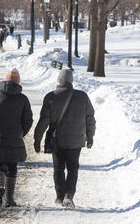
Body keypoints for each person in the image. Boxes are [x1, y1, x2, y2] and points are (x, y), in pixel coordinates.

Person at [33, 69, 95, 210]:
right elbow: (90, 118)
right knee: (73, 169)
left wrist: (37, 139)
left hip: (57, 140)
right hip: (76, 141)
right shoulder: (82, 97)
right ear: (71, 81)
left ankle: (60, 196)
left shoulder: (51, 97)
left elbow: (44, 121)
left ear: (59, 81)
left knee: (59, 168)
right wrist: (90, 136)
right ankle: (69, 195)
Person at [0, 69, 33, 208]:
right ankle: (10, 200)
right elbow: (28, 120)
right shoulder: (23, 99)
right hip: (15, 137)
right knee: (12, 167)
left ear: (5, 80)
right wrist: (21, 133)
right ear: (18, 82)